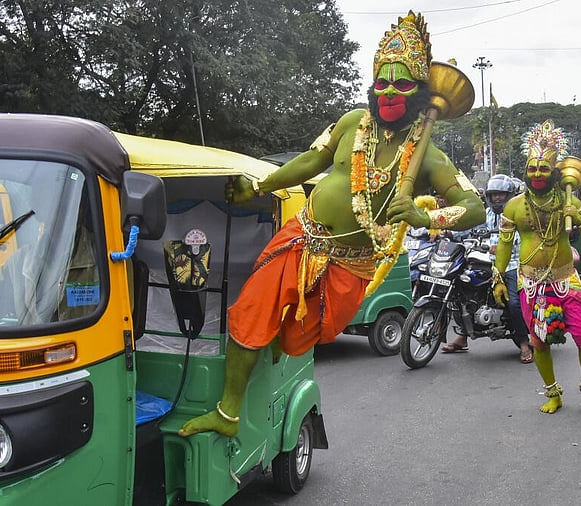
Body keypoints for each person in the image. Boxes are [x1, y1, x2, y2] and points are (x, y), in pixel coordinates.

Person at [178, 11, 485, 437]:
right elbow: (310, 160)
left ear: (418, 91)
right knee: (251, 313)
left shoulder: (429, 156)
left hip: (349, 264)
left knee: (295, 338)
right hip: (300, 238)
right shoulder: (349, 123)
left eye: (402, 83)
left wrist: (425, 215)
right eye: (382, 81)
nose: (389, 91)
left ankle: (262, 379)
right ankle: (228, 414)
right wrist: (261, 186)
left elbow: (475, 208)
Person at [494, 119, 581, 417]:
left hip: (565, 279)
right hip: (531, 283)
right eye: (532, 168)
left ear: (553, 171)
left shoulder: (567, 199)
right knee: (538, 342)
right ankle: (553, 393)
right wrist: (497, 274)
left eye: (543, 169)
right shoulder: (514, 206)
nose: (536, 174)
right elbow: (505, 244)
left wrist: (579, 217)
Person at [441, 173, 534, 363]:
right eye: (494, 195)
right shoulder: (488, 214)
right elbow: (469, 227)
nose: (497, 198)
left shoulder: (519, 212)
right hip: (486, 261)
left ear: (509, 195)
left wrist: (503, 246)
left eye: (501, 195)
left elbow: (524, 238)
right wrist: (448, 232)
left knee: (514, 304)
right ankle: (463, 337)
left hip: (512, 263)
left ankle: (524, 343)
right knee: (462, 291)